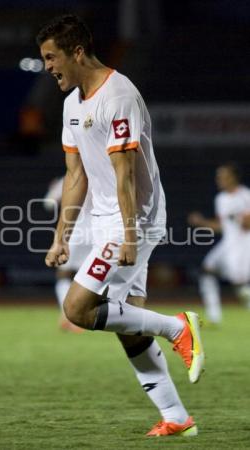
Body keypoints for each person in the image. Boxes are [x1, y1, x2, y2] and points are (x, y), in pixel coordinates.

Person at [37, 14, 204, 437]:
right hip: (105, 219)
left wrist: (129, 235)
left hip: (136, 218)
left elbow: (125, 174)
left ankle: (178, 327)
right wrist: (62, 238)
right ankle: (177, 419)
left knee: (77, 308)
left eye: (51, 57)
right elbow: (76, 177)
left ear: (77, 52)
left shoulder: (119, 93)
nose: (47, 67)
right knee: (129, 324)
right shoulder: (72, 104)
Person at [188, 163, 250, 324]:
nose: (219, 179)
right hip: (227, 243)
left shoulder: (245, 196)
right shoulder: (221, 199)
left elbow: (247, 224)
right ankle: (214, 317)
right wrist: (201, 222)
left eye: (223, 176)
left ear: (234, 177)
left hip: (243, 244)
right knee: (206, 271)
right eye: (218, 176)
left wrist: (245, 219)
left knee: (240, 285)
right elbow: (223, 227)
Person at [44, 176, 92, 332]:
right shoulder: (102, 174)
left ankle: (69, 315)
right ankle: (84, 314)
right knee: (91, 275)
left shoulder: (68, 179)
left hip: (75, 232)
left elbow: (49, 204)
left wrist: (54, 189)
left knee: (64, 274)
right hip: (99, 232)